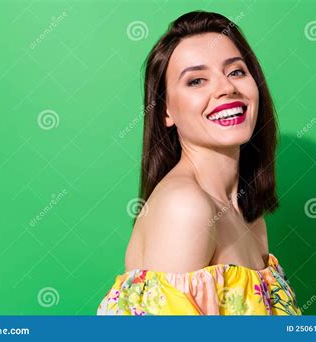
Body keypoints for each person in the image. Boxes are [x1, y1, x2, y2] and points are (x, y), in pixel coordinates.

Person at [97, 10, 302, 315]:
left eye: (236, 71)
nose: (226, 88)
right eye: (196, 81)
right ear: (166, 111)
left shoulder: (247, 211)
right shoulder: (185, 207)